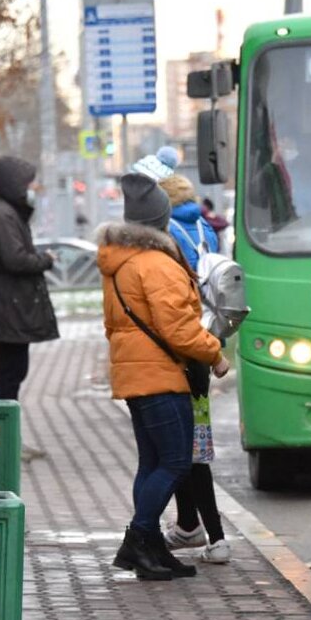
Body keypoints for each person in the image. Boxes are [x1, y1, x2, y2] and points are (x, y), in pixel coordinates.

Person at [98, 172, 231, 581]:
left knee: (153, 462)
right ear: (161, 219)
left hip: (136, 374)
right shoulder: (157, 265)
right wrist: (214, 354)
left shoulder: (121, 262)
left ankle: (152, 546)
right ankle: (138, 539)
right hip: (161, 374)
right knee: (175, 462)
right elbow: (180, 328)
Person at [157, 171, 230, 563]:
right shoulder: (205, 228)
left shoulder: (167, 235)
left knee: (184, 452)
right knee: (191, 445)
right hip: (204, 345)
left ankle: (216, 538)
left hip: (182, 352)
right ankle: (189, 526)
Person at [0, 156, 59, 400]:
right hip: (8, 306)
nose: (33, 188)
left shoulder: (5, 212)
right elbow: (16, 259)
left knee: (13, 369)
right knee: (11, 371)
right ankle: (1, 421)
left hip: (9, 305)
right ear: (14, 184)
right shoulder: (3, 215)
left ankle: (3, 420)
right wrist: (46, 260)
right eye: (29, 183)